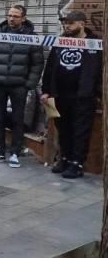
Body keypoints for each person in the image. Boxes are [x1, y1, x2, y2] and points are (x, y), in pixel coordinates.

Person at [41, 11, 102, 179]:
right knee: (63, 129)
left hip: (83, 96)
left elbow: (100, 71)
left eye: (71, 23)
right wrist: (46, 90)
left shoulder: (94, 43)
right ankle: (65, 159)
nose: (67, 26)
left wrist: (97, 93)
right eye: (65, 23)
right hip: (60, 95)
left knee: (80, 130)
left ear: (82, 24)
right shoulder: (60, 41)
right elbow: (50, 67)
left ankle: (77, 163)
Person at [0, 5, 43, 168]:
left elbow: (37, 64)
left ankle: (15, 153)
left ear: (23, 18)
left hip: (19, 86)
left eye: (15, 16)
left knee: (18, 119)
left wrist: (29, 84)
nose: (11, 19)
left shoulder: (32, 37)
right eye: (9, 15)